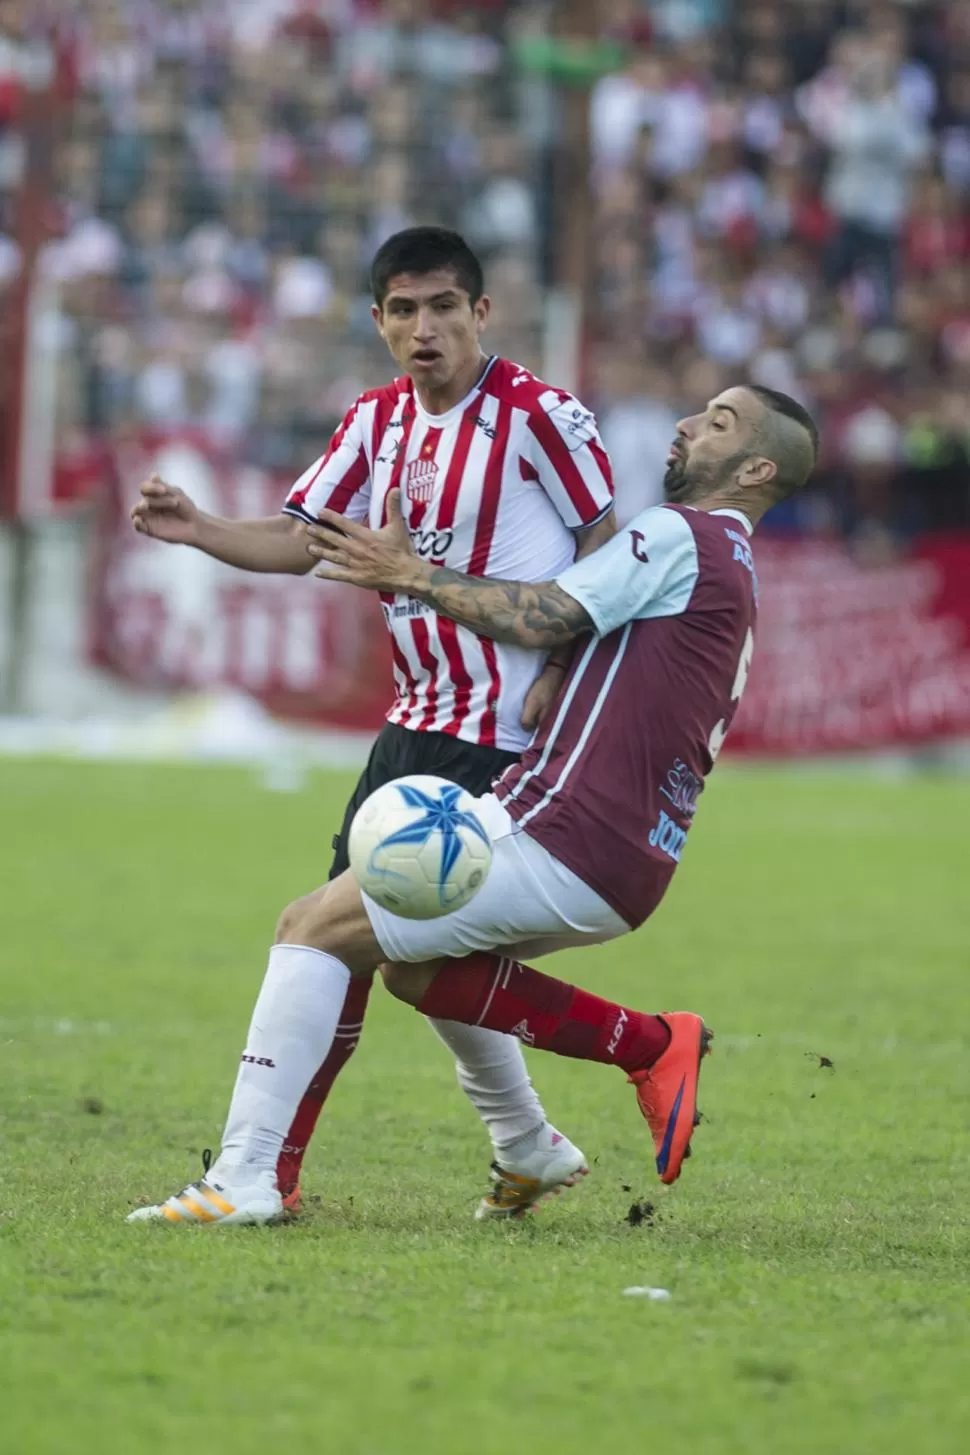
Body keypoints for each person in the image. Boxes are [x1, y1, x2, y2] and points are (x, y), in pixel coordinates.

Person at [129, 382, 818, 1227]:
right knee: (416, 971)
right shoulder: (732, 562)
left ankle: (244, 1179)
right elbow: (590, 628)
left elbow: (550, 611)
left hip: (560, 825)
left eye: (719, 422)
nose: (686, 424)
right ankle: (635, 1053)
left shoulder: (680, 533)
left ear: (756, 467)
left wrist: (408, 571)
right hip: (630, 858)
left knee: (310, 927)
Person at [129, 226, 616, 1219]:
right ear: (378, 321)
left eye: (444, 306)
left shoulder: (541, 417)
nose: (424, 328)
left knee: (324, 937)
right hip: (412, 728)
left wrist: (561, 668)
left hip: (500, 737)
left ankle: (252, 1176)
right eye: (404, 309)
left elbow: (612, 554)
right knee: (395, 953)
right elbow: (303, 539)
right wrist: (203, 529)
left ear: (482, 313)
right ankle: (527, 1143)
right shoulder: (376, 419)